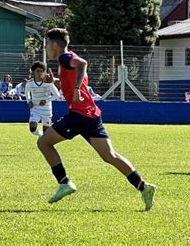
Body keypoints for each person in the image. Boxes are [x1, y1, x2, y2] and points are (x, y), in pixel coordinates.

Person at [37, 28, 156, 210]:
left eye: (46, 44)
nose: (46, 48)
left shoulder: (65, 58)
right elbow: (77, 78)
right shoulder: (67, 60)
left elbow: (83, 64)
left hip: (79, 114)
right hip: (91, 114)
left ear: (54, 44)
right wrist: (56, 83)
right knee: (110, 155)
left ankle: (64, 182)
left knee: (44, 143)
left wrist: (76, 89)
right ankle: (144, 187)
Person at [25, 61, 60, 137]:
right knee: (32, 128)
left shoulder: (48, 83)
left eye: (41, 71)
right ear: (33, 72)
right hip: (35, 107)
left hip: (46, 108)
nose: (40, 73)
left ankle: (45, 140)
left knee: (46, 132)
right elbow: (27, 93)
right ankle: (40, 134)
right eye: (37, 71)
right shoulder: (29, 83)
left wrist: (46, 100)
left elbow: (57, 95)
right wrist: (29, 101)